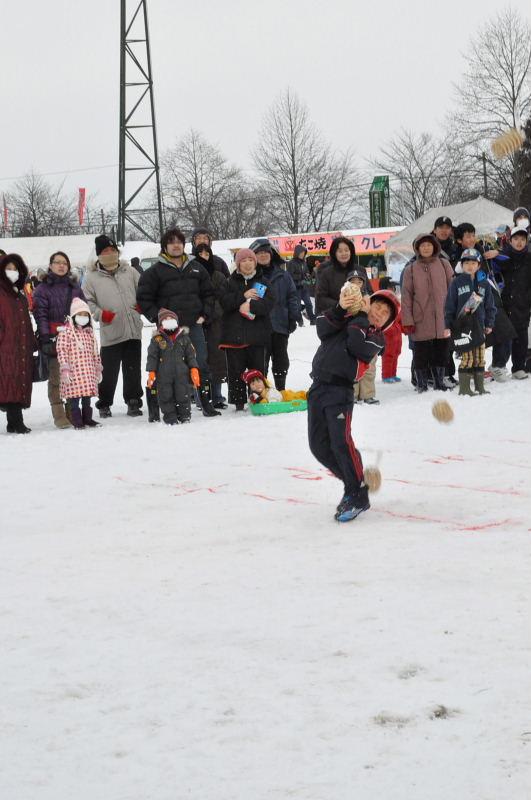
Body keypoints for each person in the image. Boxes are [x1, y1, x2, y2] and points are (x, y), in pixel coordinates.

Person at [308, 287, 399, 523]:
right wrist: (341, 309)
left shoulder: (376, 338)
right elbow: (322, 327)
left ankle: (357, 493)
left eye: (385, 313)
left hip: (340, 391)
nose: (379, 312)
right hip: (318, 388)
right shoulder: (348, 319)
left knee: (341, 442)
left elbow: (356, 345)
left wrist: (359, 316)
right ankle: (355, 485)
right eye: (377, 306)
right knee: (318, 446)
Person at [137, 227, 219, 417]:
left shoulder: (196, 267)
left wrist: (204, 315)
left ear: (184, 245)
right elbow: (144, 299)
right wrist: (158, 318)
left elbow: (209, 294)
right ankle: (159, 405)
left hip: (193, 326)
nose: (176, 245)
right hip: (167, 331)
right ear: (165, 246)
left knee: (200, 364)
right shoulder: (154, 272)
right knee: (165, 367)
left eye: (179, 242)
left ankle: (205, 402)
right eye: (172, 242)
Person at [83, 235, 144, 418]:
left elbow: (143, 290)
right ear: (99, 255)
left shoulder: (130, 271)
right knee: (108, 371)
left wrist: (141, 304)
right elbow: (88, 302)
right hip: (111, 331)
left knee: (133, 368)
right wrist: (101, 314)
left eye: (112, 250)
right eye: (105, 251)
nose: (110, 254)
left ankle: (133, 401)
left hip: (133, 328)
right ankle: (104, 403)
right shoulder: (91, 278)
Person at [32, 251, 85, 428]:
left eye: (65, 263)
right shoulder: (42, 289)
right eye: (58, 262)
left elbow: (83, 311)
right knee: (56, 376)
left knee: (74, 376)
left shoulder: (75, 288)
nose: (61, 266)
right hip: (54, 338)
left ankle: (72, 409)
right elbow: (41, 315)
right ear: (51, 265)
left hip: (75, 338)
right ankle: (58, 412)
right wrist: (46, 338)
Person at [219, 248, 275, 410]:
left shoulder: (263, 282)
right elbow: (224, 302)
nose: (248, 264)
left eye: (250, 260)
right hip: (233, 336)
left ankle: (258, 399)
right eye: (243, 261)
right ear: (238, 264)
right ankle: (238, 403)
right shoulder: (229, 282)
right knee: (235, 372)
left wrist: (250, 305)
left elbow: (269, 304)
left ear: (255, 262)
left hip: (258, 335)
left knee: (257, 370)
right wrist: (243, 296)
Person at [401, 234, 454, 392]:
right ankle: (422, 383)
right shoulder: (410, 269)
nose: (426, 248)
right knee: (421, 352)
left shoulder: (444, 264)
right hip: (420, 318)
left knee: (442, 350)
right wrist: (407, 320)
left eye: (429, 245)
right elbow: (406, 296)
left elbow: (453, 290)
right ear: (417, 248)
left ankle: (439, 381)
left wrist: (454, 315)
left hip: (442, 317)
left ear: (435, 247)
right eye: (422, 245)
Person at [444, 248, 496, 396]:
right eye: (466, 262)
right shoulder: (456, 283)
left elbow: (490, 306)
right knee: (467, 358)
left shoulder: (484, 283)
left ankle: (480, 387)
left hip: (479, 326)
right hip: (462, 328)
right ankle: (465, 388)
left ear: (479, 265)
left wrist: (490, 323)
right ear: (462, 264)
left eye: (473, 262)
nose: (470, 265)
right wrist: (448, 325)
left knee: (480, 358)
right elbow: (449, 306)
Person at [249, 238, 299, 390]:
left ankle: (280, 389)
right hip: (259, 326)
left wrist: (293, 317)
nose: (263, 255)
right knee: (260, 361)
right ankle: (260, 391)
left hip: (280, 325)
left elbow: (292, 296)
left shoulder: (283, 275)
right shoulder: (252, 276)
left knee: (281, 360)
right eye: (259, 253)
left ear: (271, 254)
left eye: (266, 252)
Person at [145, 309, 200, 425]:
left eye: (171, 318)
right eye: (165, 319)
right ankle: (170, 417)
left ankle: (184, 416)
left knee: (183, 394)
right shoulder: (157, 339)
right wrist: (151, 371)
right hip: (163, 375)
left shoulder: (184, 337)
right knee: (165, 396)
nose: (169, 320)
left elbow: (191, 355)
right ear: (161, 323)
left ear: (177, 321)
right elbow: (152, 356)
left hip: (182, 374)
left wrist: (194, 368)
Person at [191, 240, 228, 409]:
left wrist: (211, 314)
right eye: (201, 254)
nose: (204, 257)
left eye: (207, 254)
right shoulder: (191, 275)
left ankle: (218, 394)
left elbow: (223, 299)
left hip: (216, 323)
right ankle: (199, 395)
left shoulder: (218, 276)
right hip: (196, 322)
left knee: (216, 358)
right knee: (198, 359)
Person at [0, 253, 34, 434]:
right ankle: (16, 421)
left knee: (16, 381)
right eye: (8, 269)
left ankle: (14, 421)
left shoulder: (19, 296)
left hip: (20, 347)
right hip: (5, 346)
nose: (12, 272)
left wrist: (32, 342)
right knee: (9, 381)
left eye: (15, 269)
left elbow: (25, 321)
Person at [56, 298, 102, 429]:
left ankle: (87, 418)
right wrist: (65, 368)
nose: (83, 318)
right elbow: (62, 350)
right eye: (80, 315)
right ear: (74, 316)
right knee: (74, 398)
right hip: (73, 371)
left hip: (87, 371)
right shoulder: (66, 333)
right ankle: (76, 420)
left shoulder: (89, 333)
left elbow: (95, 352)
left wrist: (98, 368)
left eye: (85, 315)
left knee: (87, 396)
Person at [497, 225, 531, 379]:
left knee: (521, 336)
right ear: (510, 240)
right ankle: (499, 366)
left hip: (523, 303)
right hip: (505, 304)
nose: (519, 242)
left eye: (523, 239)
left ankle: (518, 367)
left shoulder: (529, 258)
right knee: (503, 336)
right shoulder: (502, 257)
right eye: (516, 239)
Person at [346, 267, 381, 404]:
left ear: (364, 283)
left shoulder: (371, 299)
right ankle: (352, 394)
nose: (356, 285)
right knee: (352, 367)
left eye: (359, 282)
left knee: (369, 366)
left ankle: (368, 394)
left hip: (368, 337)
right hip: (352, 337)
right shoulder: (344, 298)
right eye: (352, 282)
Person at [315, 236, 357, 315]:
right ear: (334, 253)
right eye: (340, 251)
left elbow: (368, 291)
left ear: (351, 252)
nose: (344, 253)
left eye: (346, 250)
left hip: (355, 316)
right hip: (334, 317)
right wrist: (340, 304)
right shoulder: (325, 272)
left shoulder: (359, 270)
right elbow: (320, 298)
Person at [287, 245, 316, 325]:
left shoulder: (304, 262)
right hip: (296, 287)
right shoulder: (291, 263)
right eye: (301, 253)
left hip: (304, 287)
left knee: (309, 304)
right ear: (297, 253)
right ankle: (300, 321)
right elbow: (290, 275)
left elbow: (306, 272)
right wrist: (301, 277)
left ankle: (312, 320)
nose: (302, 254)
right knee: (298, 306)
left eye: (304, 253)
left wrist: (308, 276)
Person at [241, 368, 306, 404]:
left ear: (264, 383)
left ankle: (309, 395)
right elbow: (253, 402)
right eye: (253, 384)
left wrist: (263, 401)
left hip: (285, 396)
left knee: (297, 396)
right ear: (250, 388)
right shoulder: (256, 394)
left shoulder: (269, 391)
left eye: (258, 381)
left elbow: (274, 402)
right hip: (282, 397)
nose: (257, 385)